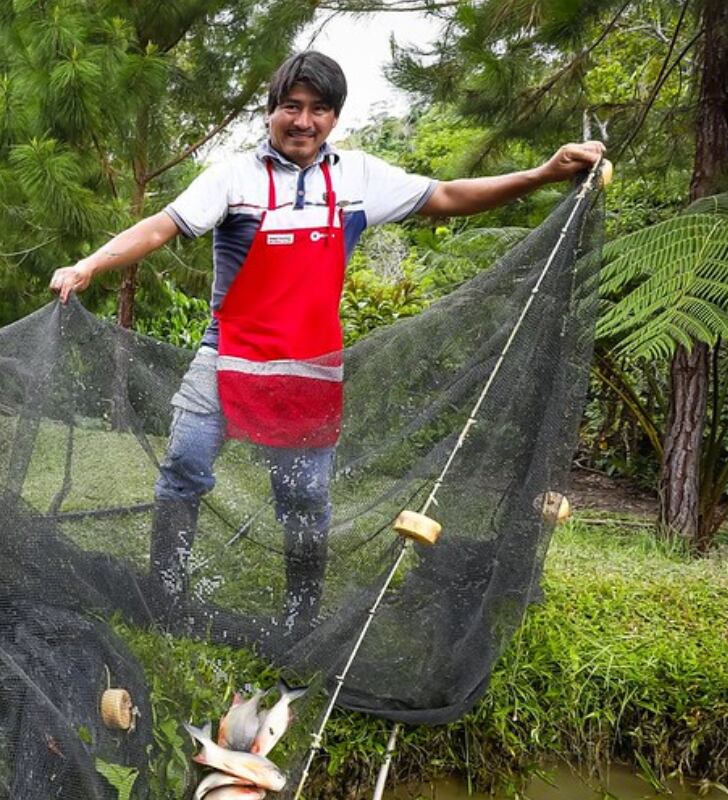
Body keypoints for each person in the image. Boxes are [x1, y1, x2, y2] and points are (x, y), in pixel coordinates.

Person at [51, 51, 603, 627]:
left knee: (306, 498)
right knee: (184, 465)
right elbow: (162, 225)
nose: (303, 120)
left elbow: (447, 196)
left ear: (334, 118)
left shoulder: (359, 177)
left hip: (310, 366)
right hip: (227, 353)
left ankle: (301, 616)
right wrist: (89, 265)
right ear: (271, 113)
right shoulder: (234, 177)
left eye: (318, 109)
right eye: (291, 106)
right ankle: (165, 599)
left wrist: (541, 175)